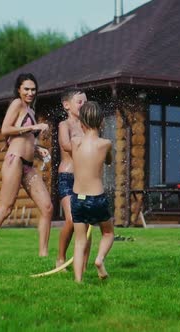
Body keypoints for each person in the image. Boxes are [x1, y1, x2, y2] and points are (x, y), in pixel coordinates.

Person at [0, 73, 53, 257]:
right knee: (6, 208)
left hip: (28, 164)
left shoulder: (31, 111)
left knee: (47, 207)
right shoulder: (17, 104)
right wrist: (34, 128)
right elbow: (5, 129)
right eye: (26, 89)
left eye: (33, 89)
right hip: (14, 160)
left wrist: (38, 148)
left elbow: (24, 139)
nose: (30, 92)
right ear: (19, 89)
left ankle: (43, 254)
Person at [70, 101, 114, 282]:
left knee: (80, 242)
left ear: (81, 123)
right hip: (97, 198)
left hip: (77, 198)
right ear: (102, 122)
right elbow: (109, 161)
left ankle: (78, 281)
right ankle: (99, 259)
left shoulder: (75, 142)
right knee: (108, 233)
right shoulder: (105, 144)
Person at [56, 88, 87, 269]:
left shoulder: (88, 126)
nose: (83, 105)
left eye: (85, 102)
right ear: (67, 105)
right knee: (72, 220)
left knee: (84, 222)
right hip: (67, 177)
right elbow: (66, 145)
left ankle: (82, 264)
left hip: (84, 179)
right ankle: (61, 257)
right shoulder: (64, 125)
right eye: (79, 102)